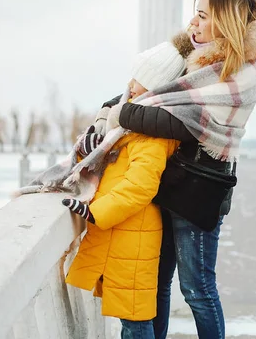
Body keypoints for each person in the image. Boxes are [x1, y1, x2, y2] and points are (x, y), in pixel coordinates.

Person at [98, 0, 256, 339]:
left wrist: (124, 114)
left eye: (203, 15)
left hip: (198, 193)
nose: (193, 21)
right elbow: (155, 92)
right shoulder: (188, 59)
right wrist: (114, 107)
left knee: (198, 290)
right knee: (157, 285)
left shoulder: (239, 74)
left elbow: (181, 123)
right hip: (164, 185)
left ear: (225, 23)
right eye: (195, 12)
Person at [61, 40, 188, 339]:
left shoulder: (153, 134)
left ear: (156, 89)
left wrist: (93, 211)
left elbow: (140, 187)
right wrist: (86, 151)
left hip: (134, 234)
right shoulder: (129, 122)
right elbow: (106, 163)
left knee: (135, 319)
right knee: (130, 316)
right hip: (124, 233)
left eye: (139, 81)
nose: (130, 85)